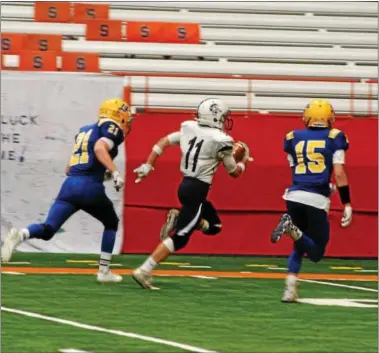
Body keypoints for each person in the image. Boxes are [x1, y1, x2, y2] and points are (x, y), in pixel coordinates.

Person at [1, 98, 133, 283]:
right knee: (111, 222)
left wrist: (103, 174)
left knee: (48, 230)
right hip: (89, 188)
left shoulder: (85, 130)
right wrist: (115, 172)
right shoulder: (112, 128)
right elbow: (99, 148)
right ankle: (104, 272)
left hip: (69, 186)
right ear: (118, 114)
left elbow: (69, 169)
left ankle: (21, 234)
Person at [131, 98, 253, 290]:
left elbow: (163, 141)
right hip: (196, 191)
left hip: (186, 187)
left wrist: (149, 164)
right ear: (215, 116)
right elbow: (234, 172)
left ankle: (183, 218)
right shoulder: (221, 140)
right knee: (180, 238)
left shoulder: (189, 128)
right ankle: (145, 270)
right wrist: (244, 159)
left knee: (215, 226)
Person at [271, 99, 352, 302]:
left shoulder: (293, 137)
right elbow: (340, 173)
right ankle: (292, 229)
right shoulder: (335, 137)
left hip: (294, 195)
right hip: (315, 199)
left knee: (299, 244)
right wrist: (347, 202)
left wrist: (327, 187)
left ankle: (289, 289)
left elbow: (298, 171)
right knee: (316, 252)